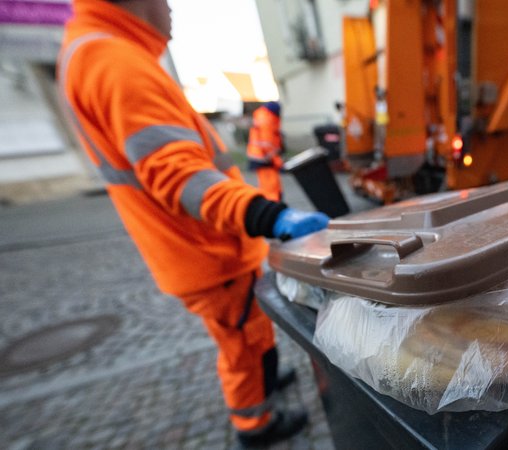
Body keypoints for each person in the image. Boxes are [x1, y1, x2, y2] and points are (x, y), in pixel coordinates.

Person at [58, 0, 329, 446]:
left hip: (201, 248)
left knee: (249, 329)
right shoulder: (114, 60)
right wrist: (269, 214)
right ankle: (254, 424)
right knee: (240, 345)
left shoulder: (104, 52)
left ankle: (264, 382)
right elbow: (179, 174)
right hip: (207, 251)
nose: (171, 8)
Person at [246, 102, 284, 202]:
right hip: (264, 158)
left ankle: (272, 204)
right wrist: (276, 160)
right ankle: (273, 206)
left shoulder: (262, 115)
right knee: (270, 187)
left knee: (268, 185)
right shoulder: (267, 119)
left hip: (260, 156)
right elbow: (267, 143)